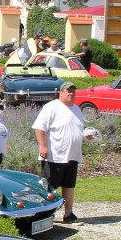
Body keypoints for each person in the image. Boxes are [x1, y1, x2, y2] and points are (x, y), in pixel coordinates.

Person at [33, 82, 89, 224]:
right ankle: (43, 213)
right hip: (54, 155)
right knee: (48, 186)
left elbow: (77, 129)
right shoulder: (51, 107)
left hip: (72, 155)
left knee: (69, 185)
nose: (71, 94)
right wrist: (43, 146)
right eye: (68, 91)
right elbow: (39, 128)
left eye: (73, 91)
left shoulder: (76, 109)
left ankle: (68, 213)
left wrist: (85, 135)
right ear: (61, 92)